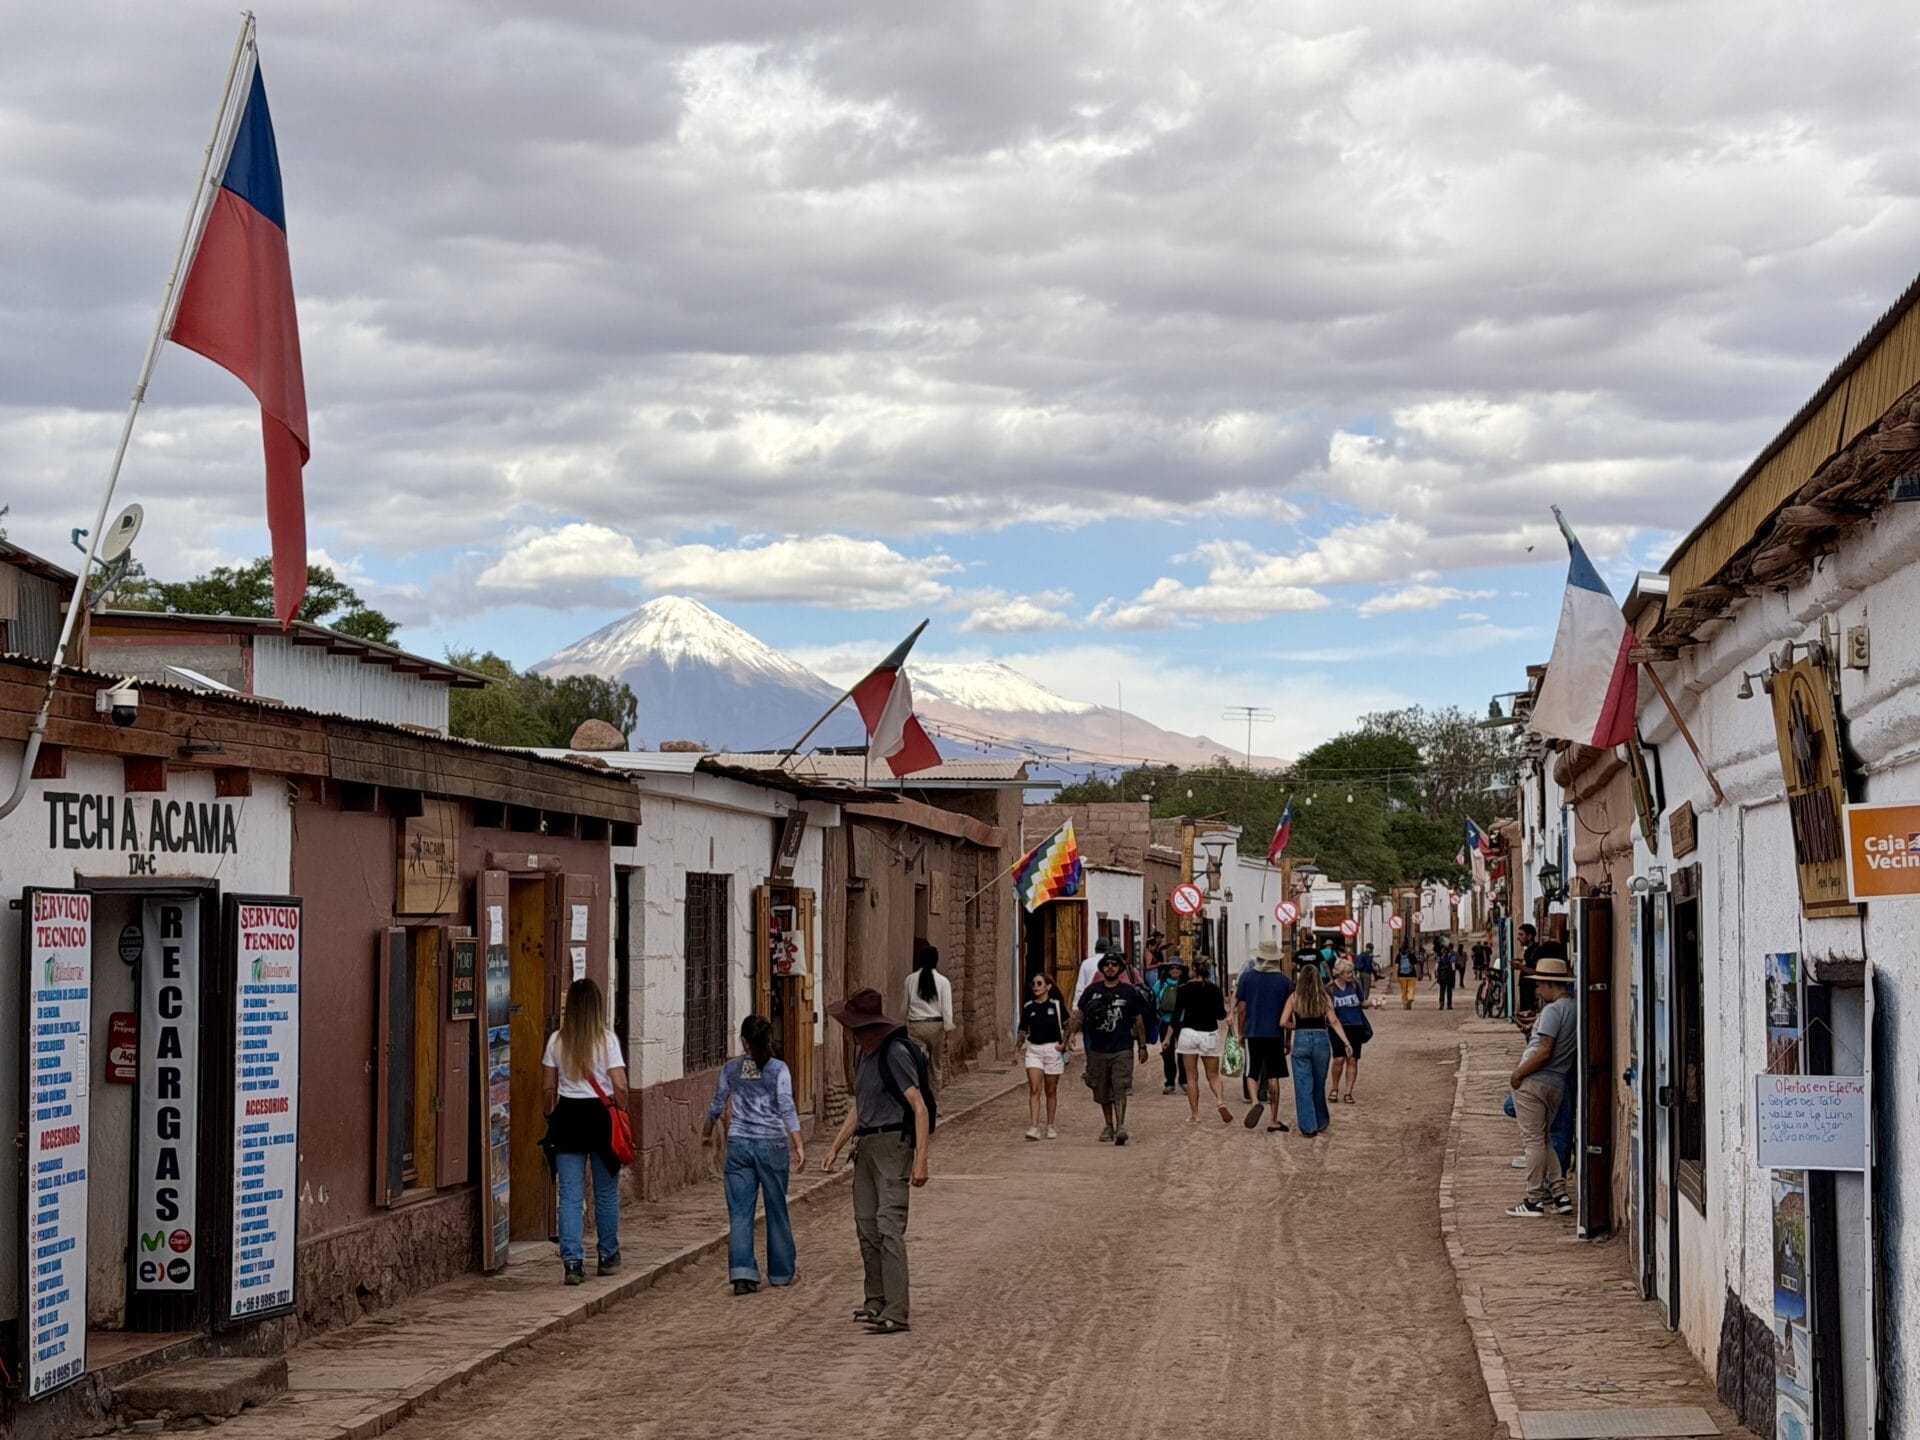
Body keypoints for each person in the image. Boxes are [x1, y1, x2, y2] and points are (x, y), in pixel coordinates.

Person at [822, 989, 930, 1334]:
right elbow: (859, 1106)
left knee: (888, 1227)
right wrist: (836, 1146)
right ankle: (876, 1301)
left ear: (868, 1027)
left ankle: (897, 1311)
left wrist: (921, 1160)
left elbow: (919, 1107)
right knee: (866, 1226)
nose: (850, 1032)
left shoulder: (895, 1054)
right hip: (866, 1147)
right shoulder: (863, 1056)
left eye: (854, 1026)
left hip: (892, 1145)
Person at [703, 1015, 804, 1295]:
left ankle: (742, 1275)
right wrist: (798, 1142)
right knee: (776, 1208)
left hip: (739, 1146)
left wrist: (707, 1131)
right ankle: (782, 1272)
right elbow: (786, 1106)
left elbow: (717, 1103)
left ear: (744, 1042)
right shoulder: (779, 1070)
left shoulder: (731, 1069)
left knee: (740, 1212)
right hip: (772, 1145)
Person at [540, 978, 627, 1286]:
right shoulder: (607, 1040)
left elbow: (548, 1086)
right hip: (600, 1118)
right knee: (605, 1192)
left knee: (570, 1195)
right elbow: (619, 1083)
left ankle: (573, 1262)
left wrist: (550, 1114)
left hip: (568, 1117)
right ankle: (608, 1256)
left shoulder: (556, 1041)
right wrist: (622, 1111)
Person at [1506, 956, 1577, 1218]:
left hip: (1536, 1080)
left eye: (1540, 985)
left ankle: (1534, 1198)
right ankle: (1559, 1193)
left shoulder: (1553, 1010)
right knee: (1545, 1139)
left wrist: (1518, 1074)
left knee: (1533, 1141)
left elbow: (1545, 1050)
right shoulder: (1573, 1009)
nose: (1538, 990)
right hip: (1557, 1081)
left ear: (1549, 984)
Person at [1069, 950, 1151, 1144]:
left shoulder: (1129, 992)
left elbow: (1138, 1020)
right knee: (1102, 1088)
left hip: (1122, 1047)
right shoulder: (1092, 991)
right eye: (1107, 965)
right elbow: (1079, 1014)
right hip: (1097, 1048)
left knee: (1120, 1086)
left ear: (1121, 969)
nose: (1111, 968)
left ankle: (1121, 1125)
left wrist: (1142, 1045)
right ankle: (1108, 1124)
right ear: (1102, 969)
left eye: (1115, 965)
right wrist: (1071, 1034)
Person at [1282, 963, 1350, 1138]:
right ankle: (1321, 1121)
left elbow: (1282, 1022)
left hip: (1301, 1040)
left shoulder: (1294, 997)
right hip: (1321, 1040)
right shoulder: (1324, 998)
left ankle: (1308, 1126)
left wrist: (1295, 1025)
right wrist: (1346, 1042)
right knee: (1319, 1083)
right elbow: (1334, 1021)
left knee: (1303, 1085)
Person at [1233, 941, 1293, 1133]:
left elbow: (1242, 1009)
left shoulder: (1247, 979)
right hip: (1275, 1034)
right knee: (1273, 1076)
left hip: (1253, 1032)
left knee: (1252, 1072)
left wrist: (1241, 1032)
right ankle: (1274, 1120)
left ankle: (1255, 1101)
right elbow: (1289, 1013)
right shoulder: (1285, 982)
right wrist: (1287, 1039)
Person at [1168, 957, 1234, 1124]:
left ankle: (1195, 1115)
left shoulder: (1183, 989)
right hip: (1209, 1034)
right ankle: (1220, 1101)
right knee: (1213, 1075)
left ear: (1194, 969)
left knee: (1191, 1077)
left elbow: (1176, 1016)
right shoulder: (1215, 989)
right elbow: (1220, 1014)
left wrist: (1167, 1038)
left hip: (1188, 1033)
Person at [1014, 973, 1069, 1140]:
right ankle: (1034, 1126)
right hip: (1034, 1050)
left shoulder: (1056, 1005)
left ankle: (1050, 1124)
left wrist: (1064, 1043)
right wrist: (1016, 1050)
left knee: (1050, 1090)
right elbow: (1022, 1030)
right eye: (1034, 983)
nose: (1036, 986)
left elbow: (1068, 1025)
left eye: (1039, 983)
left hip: (1052, 1049)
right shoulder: (1029, 1007)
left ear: (1048, 987)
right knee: (1034, 1088)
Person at [903, 941, 953, 1099]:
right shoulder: (943, 982)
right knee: (935, 1067)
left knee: (916, 1065)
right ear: (936, 961)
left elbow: (904, 1006)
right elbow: (947, 1010)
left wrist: (904, 1024)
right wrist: (947, 1033)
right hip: (935, 1027)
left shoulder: (910, 980)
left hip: (916, 1027)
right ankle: (934, 1103)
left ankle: (917, 1102)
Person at [1327, 960, 1371, 1105]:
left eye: (1352, 972)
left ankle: (1348, 1092)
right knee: (1338, 1058)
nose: (1351, 975)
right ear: (1340, 974)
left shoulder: (1354, 985)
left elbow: (1361, 1002)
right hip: (1338, 1027)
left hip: (1355, 1025)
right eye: (1348, 972)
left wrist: (1372, 1003)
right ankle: (1334, 1088)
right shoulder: (1330, 989)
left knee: (1352, 1059)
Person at [1152, 958, 1188, 1093]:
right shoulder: (1160, 984)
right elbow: (1153, 998)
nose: (1175, 970)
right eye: (1172, 967)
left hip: (1183, 1022)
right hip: (1165, 1022)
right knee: (1167, 1053)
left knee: (1184, 1053)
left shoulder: (1186, 984)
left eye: (1178, 968)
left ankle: (1183, 1080)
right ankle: (1170, 1082)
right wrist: (1155, 1012)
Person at [1435, 945, 1459, 1010]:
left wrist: (1437, 976)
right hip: (1449, 976)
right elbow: (1453, 967)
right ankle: (1449, 1005)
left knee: (1442, 991)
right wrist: (1454, 975)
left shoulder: (1439, 958)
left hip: (1441, 977)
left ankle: (1441, 1004)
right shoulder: (1451, 958)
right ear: (1448, 952)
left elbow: (1436, 968)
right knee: (1449, 991)